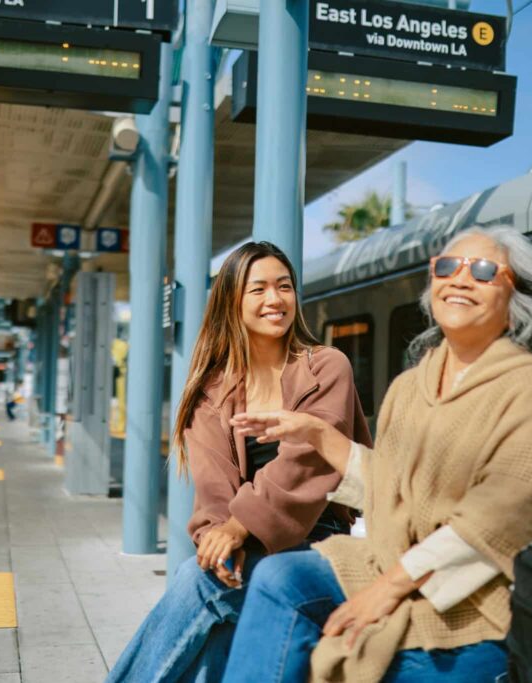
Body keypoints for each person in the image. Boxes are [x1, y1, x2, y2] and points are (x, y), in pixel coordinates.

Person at [223, 227, 532, 683]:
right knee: (279, 578)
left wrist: (388, 589)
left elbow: (505, 510)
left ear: (514, 305)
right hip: (394, 560)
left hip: (479, 591)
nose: (460, 279)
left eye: (482, 271)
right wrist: (318, 434)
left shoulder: (528, 383)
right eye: (447, 266)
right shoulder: (409, 387)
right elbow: (396, 485)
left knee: (389, 663)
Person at [106, 241, 372, 682]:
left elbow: (306, 462)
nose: (275, 299)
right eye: (259, 289)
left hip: (319, 537)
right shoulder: (211, 390)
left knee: (199, 582)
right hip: (248, 542)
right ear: (232, 300)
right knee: (215, 586)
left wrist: (238, 526)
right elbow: (213, 489)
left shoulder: (326, 366)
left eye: (284, 287)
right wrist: (218, 536)